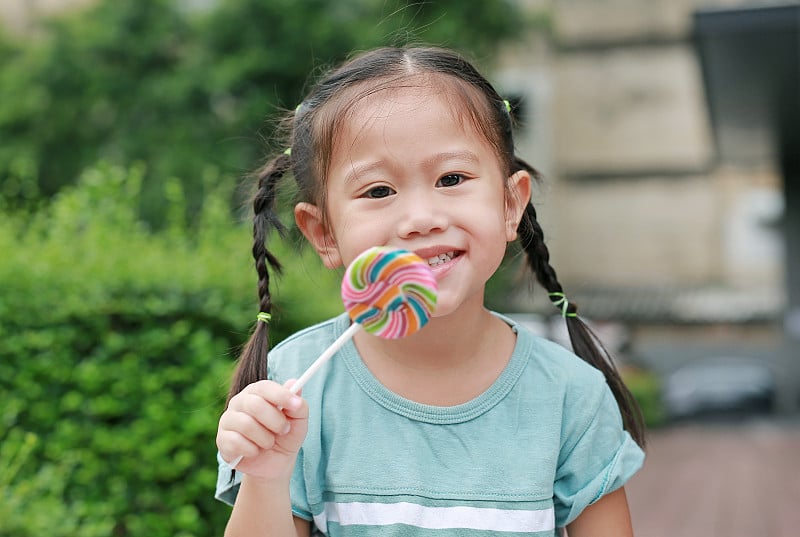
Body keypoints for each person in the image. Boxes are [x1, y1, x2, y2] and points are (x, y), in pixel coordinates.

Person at [215, 46, 646, 537]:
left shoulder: (570, 397)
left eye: (451, 178)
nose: (421, 219)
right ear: (324, 234)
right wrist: (267, 477)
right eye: (378, 191)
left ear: (511, 205)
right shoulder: (296, 388)